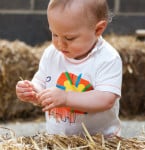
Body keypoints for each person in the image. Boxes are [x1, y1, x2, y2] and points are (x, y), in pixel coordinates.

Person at [16, 0, 122, 137]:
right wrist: (32, 91)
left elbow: (106, 99)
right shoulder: (51, 54)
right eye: (54, 34)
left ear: (98, 29)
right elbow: (42, 81)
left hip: (99, 140)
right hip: (58, 139)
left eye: (69, 38)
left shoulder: (107, 58)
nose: (60, 44)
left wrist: (66, 97)